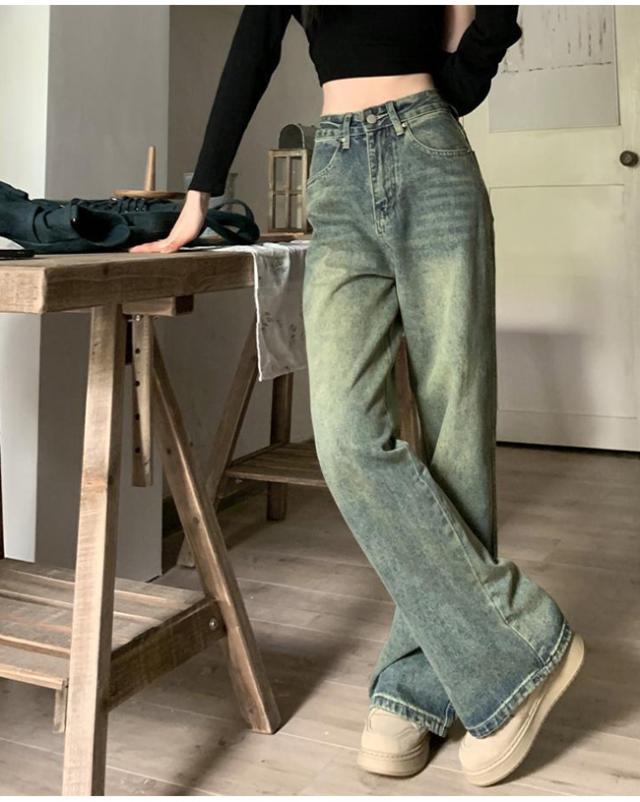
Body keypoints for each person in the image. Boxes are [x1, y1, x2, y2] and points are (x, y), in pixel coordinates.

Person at [130, 6, 585, 787]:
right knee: (346, 438)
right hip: (336, 171)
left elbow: (466, 71)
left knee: (453, 435)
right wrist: (198, 196)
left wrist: (487, 31)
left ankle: (417, 686)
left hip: (430, 155)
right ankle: (522, 644)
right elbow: (252, 50)